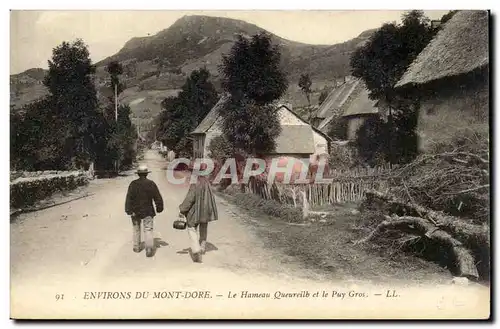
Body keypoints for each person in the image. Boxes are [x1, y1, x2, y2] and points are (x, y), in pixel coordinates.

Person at [178, 171, 218, 263]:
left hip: (196, 211)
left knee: (191, 228)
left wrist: (182, 209)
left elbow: (190, 199)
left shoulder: (194, 184)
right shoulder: (207, 183)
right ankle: (202, 247)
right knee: (203, 227)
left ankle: (196, 250)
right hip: (205, 211)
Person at [125, 165, 164, 257]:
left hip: (135, 211)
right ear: (146, 174)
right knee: (148, 229)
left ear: (138, 174)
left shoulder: (133, 184)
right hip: (148, 210)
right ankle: (149, 249)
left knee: (136, 228)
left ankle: (136, 247)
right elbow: (157, 197)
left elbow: (129, 198)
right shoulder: (151, 184)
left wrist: (128, 210)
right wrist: (159, 207)